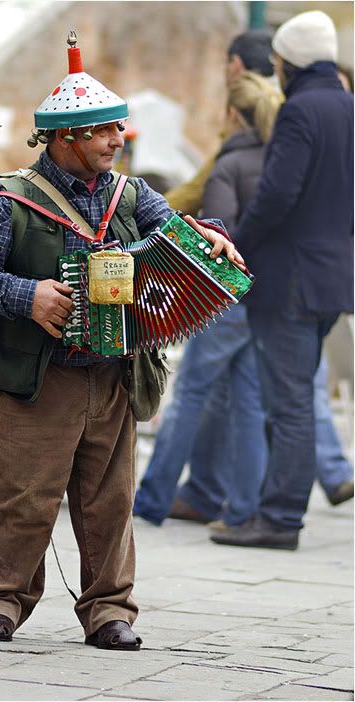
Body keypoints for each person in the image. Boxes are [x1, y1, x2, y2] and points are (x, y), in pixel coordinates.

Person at [0, 33, 244, 649]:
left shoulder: (131, 196)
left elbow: (174, 231)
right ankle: (1, 599)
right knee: (21, 495)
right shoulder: (11, 201)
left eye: (118, 129)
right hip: (35, 375)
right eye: (104, 130)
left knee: (109, 501)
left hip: (113, 374)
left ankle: (109, 610)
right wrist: (29, 296)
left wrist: (209, 235)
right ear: (65, 138)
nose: (116, 140)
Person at [210, 11, 353, 550]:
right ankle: (277, 511)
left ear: (288, 65)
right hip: (332, 278)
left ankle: (279, 518)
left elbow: (277, 193)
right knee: (299, 397)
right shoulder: (348, 106)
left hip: (289, 278)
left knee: (288, 403)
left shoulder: (299, 111)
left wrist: (238, 245)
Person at [133, 72, 282, 528]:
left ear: (232, 115)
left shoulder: (229, 165)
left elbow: (217, 236)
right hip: (267, 300)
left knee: (189, 397)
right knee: (250, 403)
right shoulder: (280, 161)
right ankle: (241, 511)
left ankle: (153, 499)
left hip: (229, 299)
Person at [164, 29, 274, 216]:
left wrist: (147, 211)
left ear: (236, 65)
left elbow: (197, 192)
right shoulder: (287, 111)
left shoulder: (236, 149)